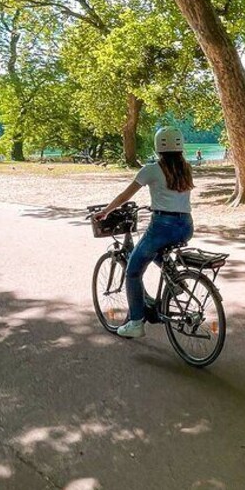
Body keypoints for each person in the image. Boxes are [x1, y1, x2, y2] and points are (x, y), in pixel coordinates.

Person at [93, 127, 195, 338]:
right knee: (156, 252)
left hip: (162, 227)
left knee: (133, 272)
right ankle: (176, 281)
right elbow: (173, 196)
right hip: (185, 226)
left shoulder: (151, 169)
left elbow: (124, 196)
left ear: (158, 147)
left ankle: (136, 323)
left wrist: (105, 212)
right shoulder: (186, 168)